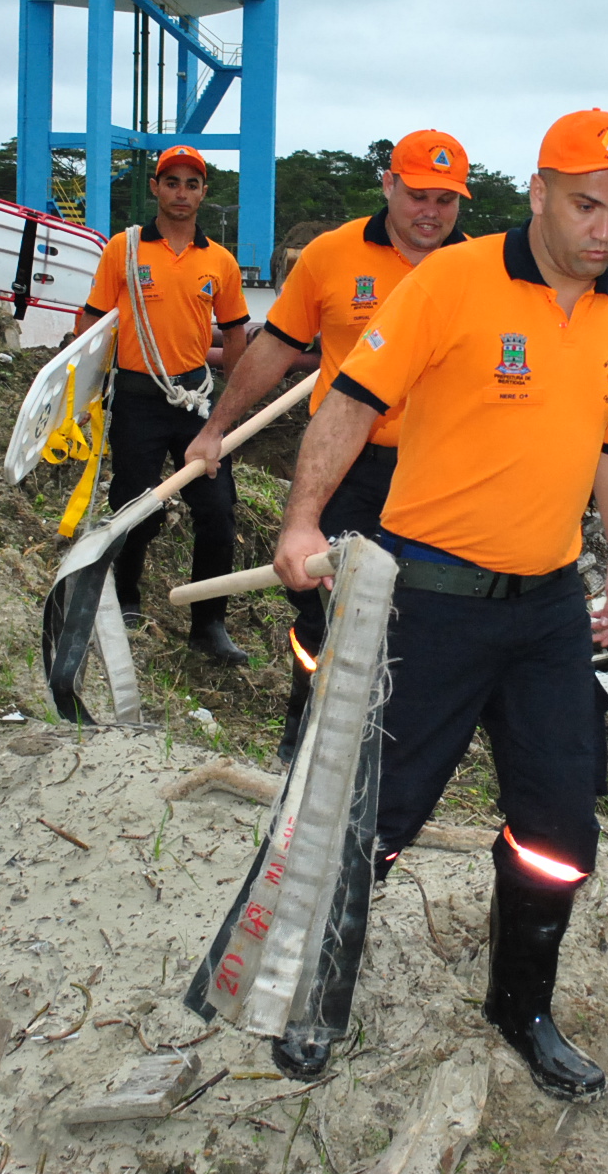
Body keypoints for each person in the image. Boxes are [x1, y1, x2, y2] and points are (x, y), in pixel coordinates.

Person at [272, 110, 608, 1098]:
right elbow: (352, 399)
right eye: (584, 204)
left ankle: (520, 1007)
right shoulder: (452, 280)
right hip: (429, 604)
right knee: (379, 814)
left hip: (544, 616)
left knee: (560, 831)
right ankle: (316, 993)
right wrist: (302, 520)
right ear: (537, 193)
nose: (601, 229)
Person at [184, 130, 472, 760]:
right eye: (419, 194)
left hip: (440, 471)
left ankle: (389, 746)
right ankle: (306, 731)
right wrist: (215, 429)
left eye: (446, 201)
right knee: (320, 604)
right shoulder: (332, 255)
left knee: (424, 609)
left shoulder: (480, 269)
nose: (432, 213)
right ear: (389, 185)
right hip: (348, 465)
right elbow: (275, 349)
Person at [79, 144, 252, 664]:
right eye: (171, 182)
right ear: (155, 187)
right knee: (134, 506)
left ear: (204, 192)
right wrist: (79, 392)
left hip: (196, 401)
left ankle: (209, 623)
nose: (181, 193)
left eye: (192, 184)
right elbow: (90, 321)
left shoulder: (219, 262)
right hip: (136, 399)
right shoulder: (124, 250)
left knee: (218, 512)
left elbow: (236, 333)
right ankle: (127, 596)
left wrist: (230, 401)